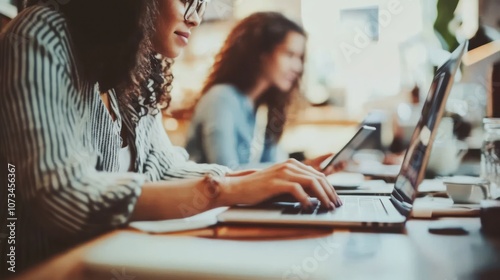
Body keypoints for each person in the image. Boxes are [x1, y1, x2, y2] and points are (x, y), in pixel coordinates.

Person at [0, 0, 342, 274]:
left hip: (114, 258)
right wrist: (226, 188)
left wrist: (263, 179)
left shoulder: (136, 66)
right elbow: (61, 198)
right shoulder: (39, 36)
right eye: (186, 0)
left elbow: (165, 170)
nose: (196, 17)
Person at [185, 12, 335, 172]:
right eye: (289, 55)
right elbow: (226, 172)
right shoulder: (221, 98)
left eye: (300, 58)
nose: (297, 67)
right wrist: (296, 170)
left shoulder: (260, 105)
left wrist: (306, 169)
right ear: (261, 53)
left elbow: (271, 166)